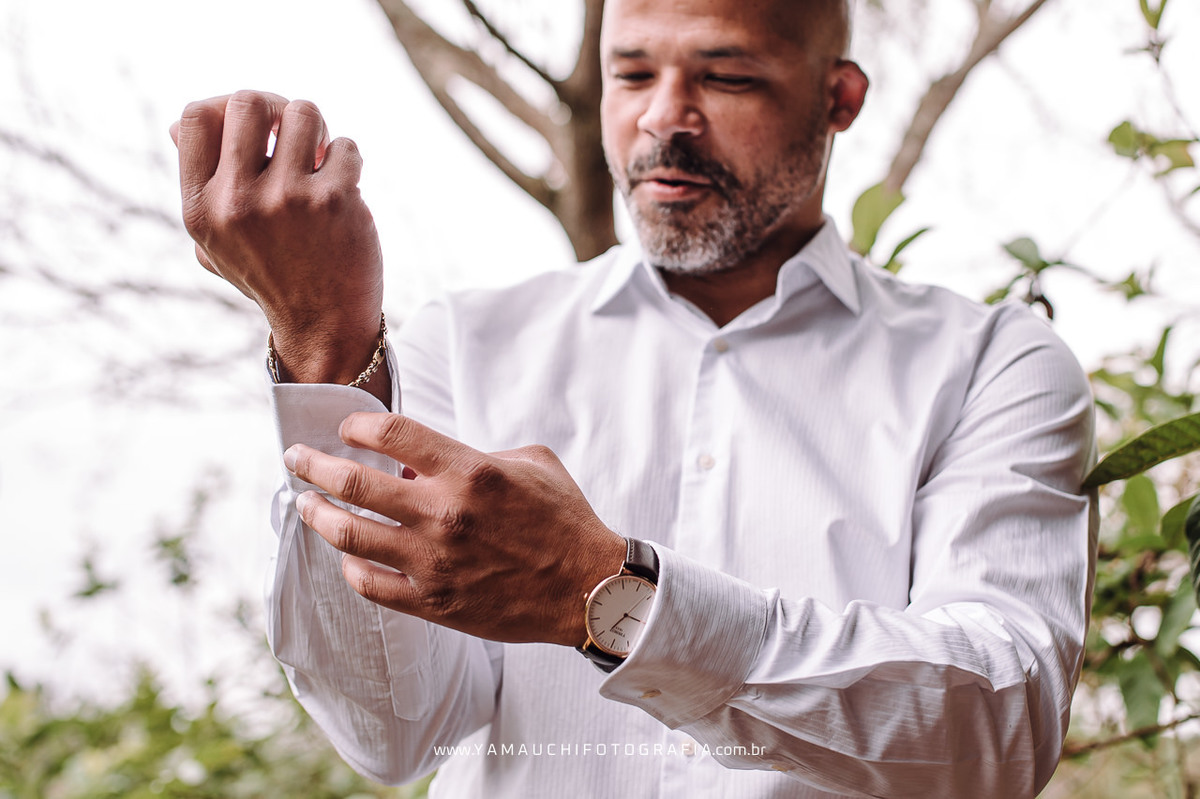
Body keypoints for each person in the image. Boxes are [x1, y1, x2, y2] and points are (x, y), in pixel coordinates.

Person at [170, 0, 1097, 795]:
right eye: (631, 73)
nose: (666, 119)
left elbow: (999, 728)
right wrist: (325, 343)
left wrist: (607, 592)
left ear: (838, 98)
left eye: (725, 78)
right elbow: (391, 730)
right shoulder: (460, 346)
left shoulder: (992, 365)